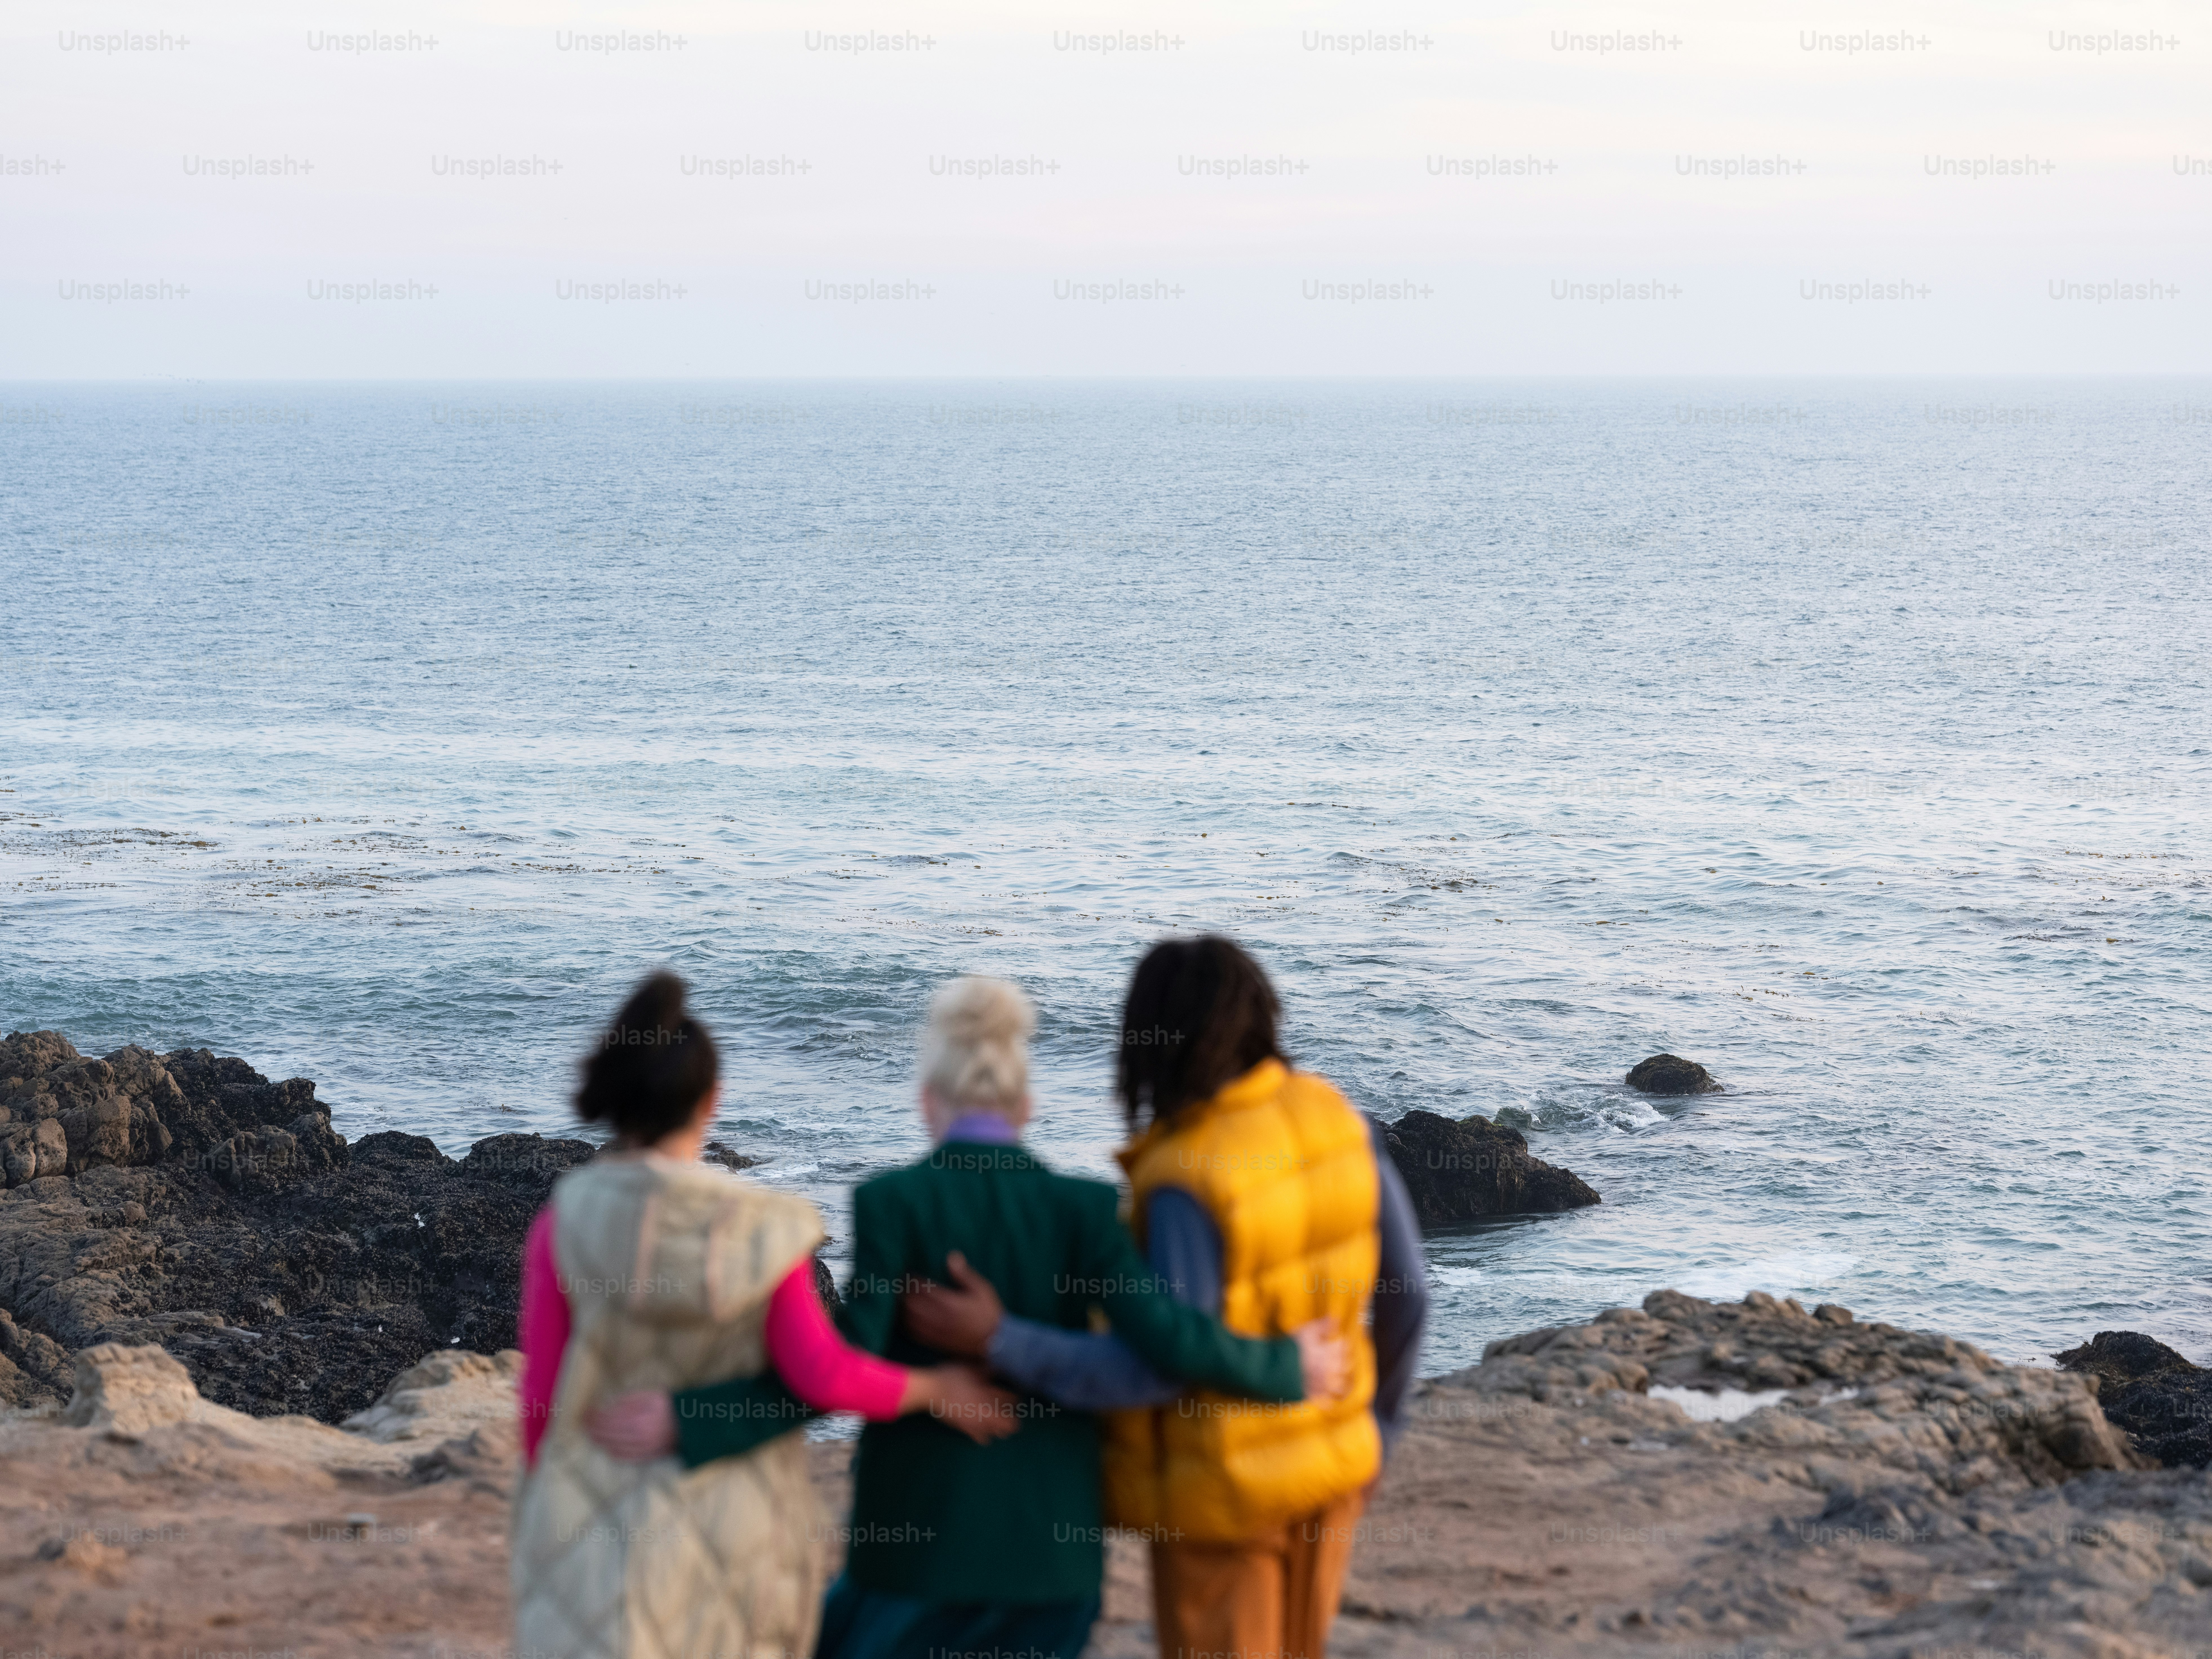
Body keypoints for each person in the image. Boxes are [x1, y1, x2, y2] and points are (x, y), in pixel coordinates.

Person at [586, 974, 1349, 1659]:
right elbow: (1170, 1341)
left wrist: (690, 1420)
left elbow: (832, 1370)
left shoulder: (895, 1203)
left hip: (920, 1552)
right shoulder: (1082, 1211)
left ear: (927, 1101)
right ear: (1026, 1107)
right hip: (1054, 1562)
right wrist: (1288, 1366)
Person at [905, 936, 1427, 1659]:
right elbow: (1410, 1296)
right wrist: (1378, 1433)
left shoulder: (1186, 1174)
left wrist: (1000, 1337)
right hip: (1332, 1469)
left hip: (1225, 1501)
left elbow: (1156, 1363)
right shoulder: (1337, 1116)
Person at [509, 972, 1014, 1659]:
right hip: (732, 1522)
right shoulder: (764, 1225)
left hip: (590, 1520)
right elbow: (820, 1374)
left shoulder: (564, 1218)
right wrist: (934, 1390)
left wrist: (554, 1492)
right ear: (712, 1102)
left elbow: (540, 1405)